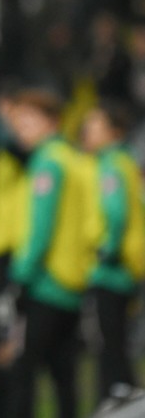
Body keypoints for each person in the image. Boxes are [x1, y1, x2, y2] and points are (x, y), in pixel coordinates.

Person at [5, 88, 91, 418]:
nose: (20, 128)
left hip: (45, 282)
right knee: (64, 377)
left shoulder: (47, 163)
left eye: (28, 119)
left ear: (51, 122)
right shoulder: (72, 157)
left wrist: (20, 277)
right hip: (71, 281)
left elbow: (40, 229)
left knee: (22, 372)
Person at [80, 99, 145, 411]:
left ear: (113, 132)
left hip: (112, 269)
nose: (87, 131)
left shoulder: (110, 165)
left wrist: (106, 252)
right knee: (117, 340)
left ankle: (118, 401)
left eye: (94, 124)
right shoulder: (125, 162)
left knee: (111, 343)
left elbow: (116, 214)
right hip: (126, 267)